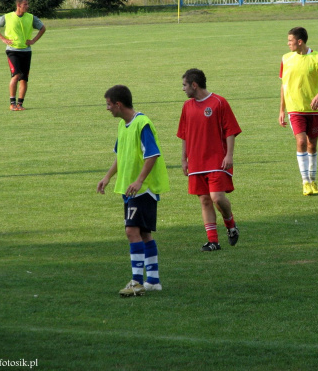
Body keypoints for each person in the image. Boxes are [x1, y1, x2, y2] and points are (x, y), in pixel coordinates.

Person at [97, 85, 170, 297]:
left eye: (109, 105)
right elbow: (121, 155)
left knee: (131, 231)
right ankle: (153, 281)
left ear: (118, 104)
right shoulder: (123, 125)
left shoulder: (142, 123)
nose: (108, 109)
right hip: (130, 190)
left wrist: (139, 181)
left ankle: (137, 281)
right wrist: (107, 177)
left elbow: (152, 154)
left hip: (142, 190)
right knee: (144, 233)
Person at [177, 69, 242, 252]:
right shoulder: (187, 107)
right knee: (205, 200)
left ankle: (230, 224)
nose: (183, 89)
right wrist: (184, 159)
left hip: (216, 160)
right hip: (196, 162)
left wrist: (229, 155)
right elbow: (184, 135)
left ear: (194, 85)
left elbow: (230, 130)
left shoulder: (218, 102)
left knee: (217, 197)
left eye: (184, 85)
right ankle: (213, 241)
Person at [279, 27, 318, 196]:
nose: (288, 44)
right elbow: (284, 85)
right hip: (295, 108)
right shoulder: (286, 59)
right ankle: (305, 182)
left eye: (290, 41)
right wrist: (281, 110)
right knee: (301, 141)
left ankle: (313, 180)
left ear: (299, 41)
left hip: (314, 110)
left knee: (312, 144)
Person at [0, 0, 46, 111]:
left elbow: (43, 28)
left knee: (24, 78)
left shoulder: (31, 17)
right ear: (19, 5)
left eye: (27, 4)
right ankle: (12, 104)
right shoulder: (7, 17)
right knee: (16, 75)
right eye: (25, 4)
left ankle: (20, 104)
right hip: (12, 51)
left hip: (26, 51)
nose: (27, 6)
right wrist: (3, 39)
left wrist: (33, 40)